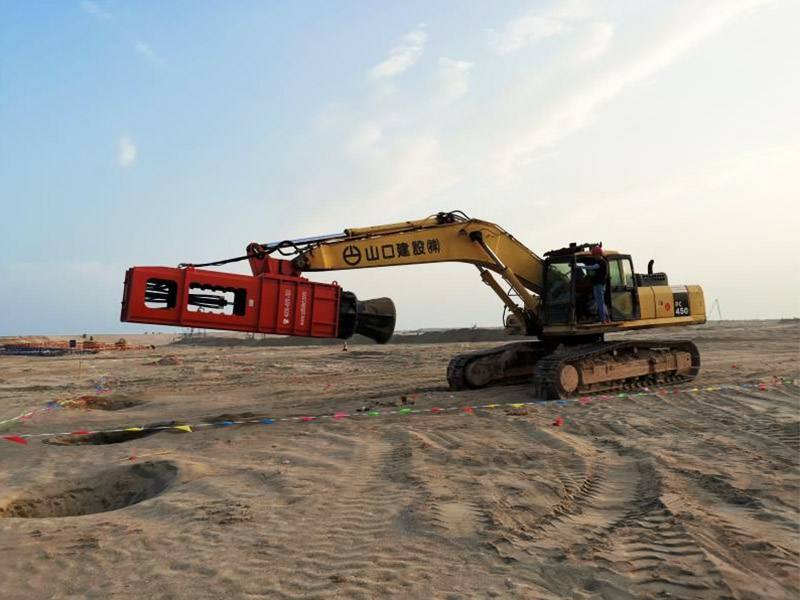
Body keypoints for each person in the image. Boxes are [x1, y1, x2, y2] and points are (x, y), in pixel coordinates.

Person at [579, 246, 610, 324]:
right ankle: (607, 319)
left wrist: (579, 266)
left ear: (597, 255)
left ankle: (603, 320)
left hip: (598, 285)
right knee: (602, 302)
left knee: (599, 303)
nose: (594, 257)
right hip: (600, 285)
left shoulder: (601, 263)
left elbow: (592, 267)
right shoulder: (603, 262)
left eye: (594, 255)